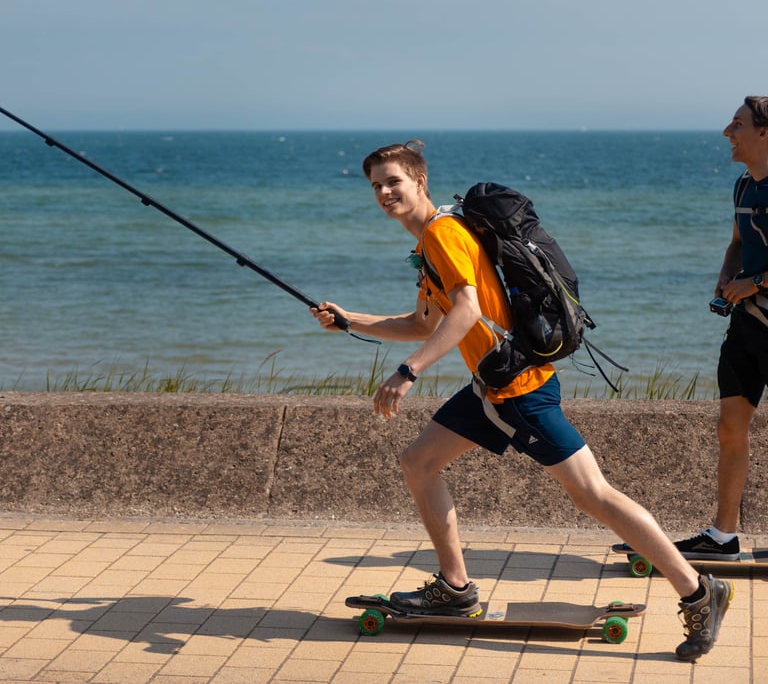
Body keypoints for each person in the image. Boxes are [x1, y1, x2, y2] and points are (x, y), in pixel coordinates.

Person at [311, 140, 732, 662]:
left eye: (393, 181)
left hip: (521, 391)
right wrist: (351, 319)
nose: (383, 192)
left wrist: (408, 371)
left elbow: (464, 311)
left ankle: (697, 591)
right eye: (375, 184)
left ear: (419, 180)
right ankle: (456, 589)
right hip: (492, 388)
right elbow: (424, 322)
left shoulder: (443, 233)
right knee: (418, 463)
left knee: (593, 495)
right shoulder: (429, 243)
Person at [670, 96, 768, 558]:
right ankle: (724, 537)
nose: (728, 132)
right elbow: (736, 242)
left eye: (738, 124)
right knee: (731, 428)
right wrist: (728, 275)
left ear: (764, 133)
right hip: (747, 329)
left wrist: (756, 282)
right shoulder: (743, 186)